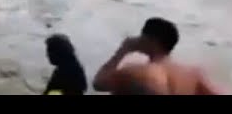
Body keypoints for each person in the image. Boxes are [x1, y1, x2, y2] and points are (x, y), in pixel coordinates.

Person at [92, 17, 224, 95]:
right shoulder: (193, 75)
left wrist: (122, 50)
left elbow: (98, 84)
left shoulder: (134, 72)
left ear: (150, 40)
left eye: (142, 35)